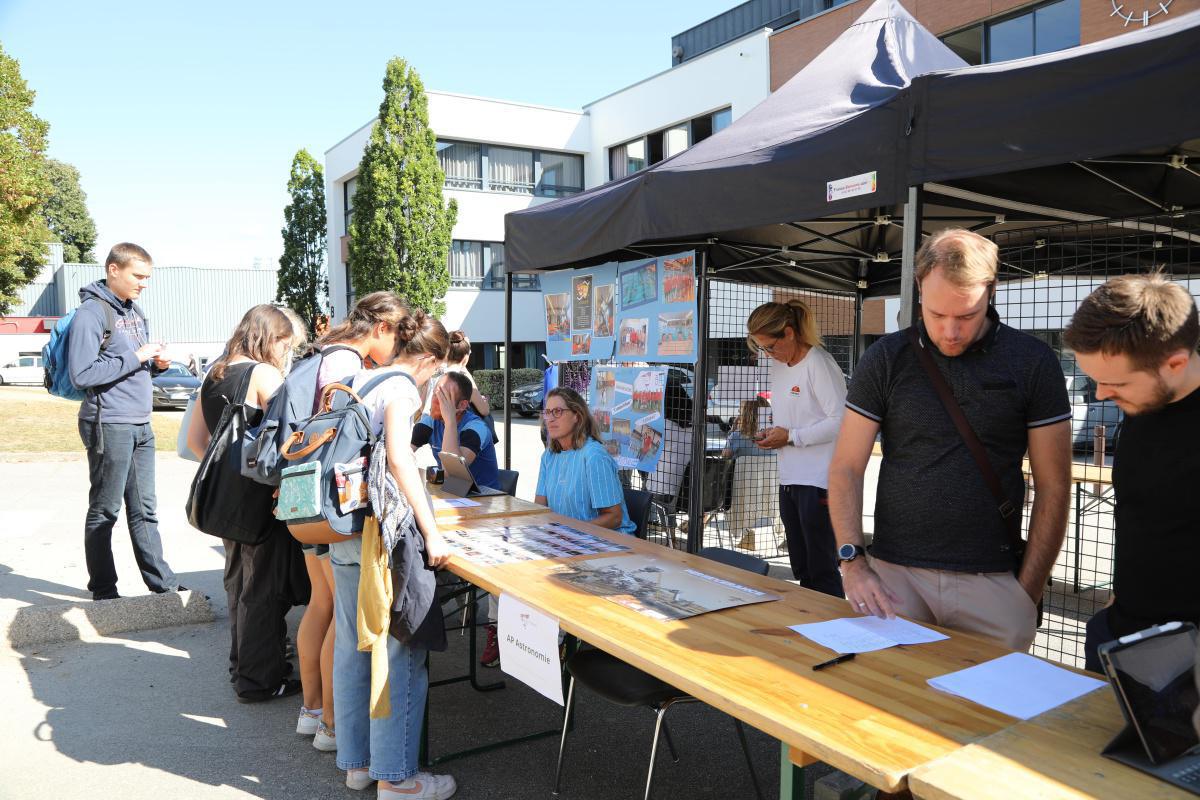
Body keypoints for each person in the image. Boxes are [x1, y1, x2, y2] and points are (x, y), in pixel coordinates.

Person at [828, 228, 1072, 652]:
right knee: (884, 708)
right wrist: (852, 562)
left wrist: (1027, 591)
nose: (951, 331)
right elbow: (846, 466)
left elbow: (1055, 485)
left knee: (996, 715)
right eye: (937, 314)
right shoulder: (885, 358)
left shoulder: (1032, 361)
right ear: (920, 286)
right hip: (894, 578)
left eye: (966, 316)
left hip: (994, 579)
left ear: (991, 292)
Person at [330, 305, 457, 799]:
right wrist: (433, 533)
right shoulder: (403, 388)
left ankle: (358, 765)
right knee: (397, 649)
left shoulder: (362, 379)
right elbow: (401, 460)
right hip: (379, 537)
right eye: (439, 370)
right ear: (429, 360)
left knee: (353, 646)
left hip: (342, 528)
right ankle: (396, 779)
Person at [1061, 273, 1200, 673]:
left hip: (1184, 660)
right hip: (1118, 635)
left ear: (1175, 363)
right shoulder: (1144, 404)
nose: (1101, 394)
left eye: (1114, 383)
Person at [291, 294, 405, 750]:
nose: (396, 349)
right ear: (380, 326)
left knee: (323, 605)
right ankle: (330, 725)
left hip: (309, 498)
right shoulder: (345, 360)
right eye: (396, 335)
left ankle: (313, 712)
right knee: (341, 614)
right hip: (332, 505)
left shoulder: (326, 351)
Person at [186, 304, 310, 702]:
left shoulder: (216, 370)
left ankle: (243, 667)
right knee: (263, 588)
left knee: (238, 582)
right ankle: (260, 680)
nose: (287, 353)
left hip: (226, 499)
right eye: (286, 344)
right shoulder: (264, 374)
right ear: (269, 339)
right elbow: (292, 438)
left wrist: (229, 473)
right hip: (260, 497)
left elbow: (195, 441)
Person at [68, 242, 182, 601]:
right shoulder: (92, 313)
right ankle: (104, 590)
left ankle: (162, 586)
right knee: (105, 509)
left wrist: (155, 364)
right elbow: (82, 374)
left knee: (145, 509)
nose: (143, 283)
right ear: (113, 269)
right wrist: (137, 357)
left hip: (139, 422)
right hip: (108, 422)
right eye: (138, 276)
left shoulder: (134, 312)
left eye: (147, 277)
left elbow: (130, 366)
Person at [746, 299, 847, 597]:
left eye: (769, 347)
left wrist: (790, 436)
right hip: (790, 477)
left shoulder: (819, 363)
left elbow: (841, 421)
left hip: (818, 480)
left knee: (822, 567)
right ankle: (809, 626)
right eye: (761, 348)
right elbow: (793, 420)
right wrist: (774, 434)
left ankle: (832, 631)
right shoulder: (780, 365)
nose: (767, 354)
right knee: (801, 565)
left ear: (789, 333)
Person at [536, 387, 636, 536]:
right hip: (567, 540)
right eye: (547, 412)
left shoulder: (594, 456)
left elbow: (614, 518)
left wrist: (570, 533)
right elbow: (540, 509)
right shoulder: (548, 456)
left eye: (557, 411)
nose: (550, 419)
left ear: (577, 415)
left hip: (609, 543)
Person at [412, 371, 500, 490]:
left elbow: (451, 473)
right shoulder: (430, 423)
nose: (433, 401)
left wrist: (450, 422)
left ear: (462, 405)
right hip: (454, 492)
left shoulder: (477, 429)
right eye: (434, 394)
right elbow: (400, 455)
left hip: (485, 498)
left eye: (443, 397)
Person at [642, 369, 693, 501]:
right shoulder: (693, 428)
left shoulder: (660, 425)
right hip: (687, 492)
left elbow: (640, 454)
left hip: (659, 489)